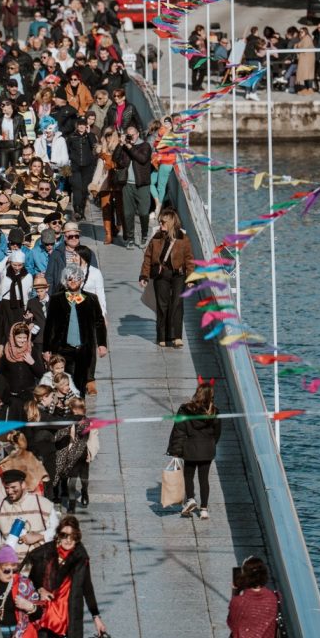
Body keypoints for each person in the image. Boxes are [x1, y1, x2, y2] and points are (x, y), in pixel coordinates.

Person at [21, 516, 106, 638]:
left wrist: (96, 617)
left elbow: (87, 588)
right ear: (58, 535)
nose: (68, 540)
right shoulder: (45, 553)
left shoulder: (81, 557)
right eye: (64, 535)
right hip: (44, 614)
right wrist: (40, 589)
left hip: (69, 615)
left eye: (73, 536)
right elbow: (29, 579)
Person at [42, 265, 107, 397]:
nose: (73, 282)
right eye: (70, 279)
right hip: (62, 347)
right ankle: (66, 409)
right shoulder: (57, 299)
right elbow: (50, 324)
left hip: (84, 347)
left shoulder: (91, 299)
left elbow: (99, 322)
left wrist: (102, 344)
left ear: (82, 280)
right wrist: (46, 348)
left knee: (81, 381)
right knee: (64, 381)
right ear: (65, 281)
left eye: (77, 279)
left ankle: (79, 409)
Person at [139, 207, 194, 348]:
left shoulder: (183, 239)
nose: (160, 225)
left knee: (177, 303)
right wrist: (144, 275)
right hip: (161, 274)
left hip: (179, 275)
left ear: (170, 223)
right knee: (162, 305)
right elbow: (148, 257)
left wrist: (191, 278)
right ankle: (162, 336)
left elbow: (189, 259)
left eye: (163, 222)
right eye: (160, 222)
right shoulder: (156, 238)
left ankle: (176, 337)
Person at [166, 382, 222, 518]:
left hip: (190, 449)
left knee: (188, 476)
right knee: (204, 479)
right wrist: (211, 444)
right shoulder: (214, 411)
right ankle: (204, 509)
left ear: (197, 393)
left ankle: (190, 499)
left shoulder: (185, 409)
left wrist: (175, 450)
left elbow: (179, 431)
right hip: (207, 450)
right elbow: (217, 432)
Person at [0, 545, 41, 637]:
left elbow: (40, 614)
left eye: (14, 570)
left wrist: (30, 606)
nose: (11, 574)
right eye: (6, 570)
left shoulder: (24, 584)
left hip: (17, 633)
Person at [227, 556, 281, 638]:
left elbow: (232, 624)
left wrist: (235, 594)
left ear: (244, 577)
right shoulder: (275, 597)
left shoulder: (238, 601)